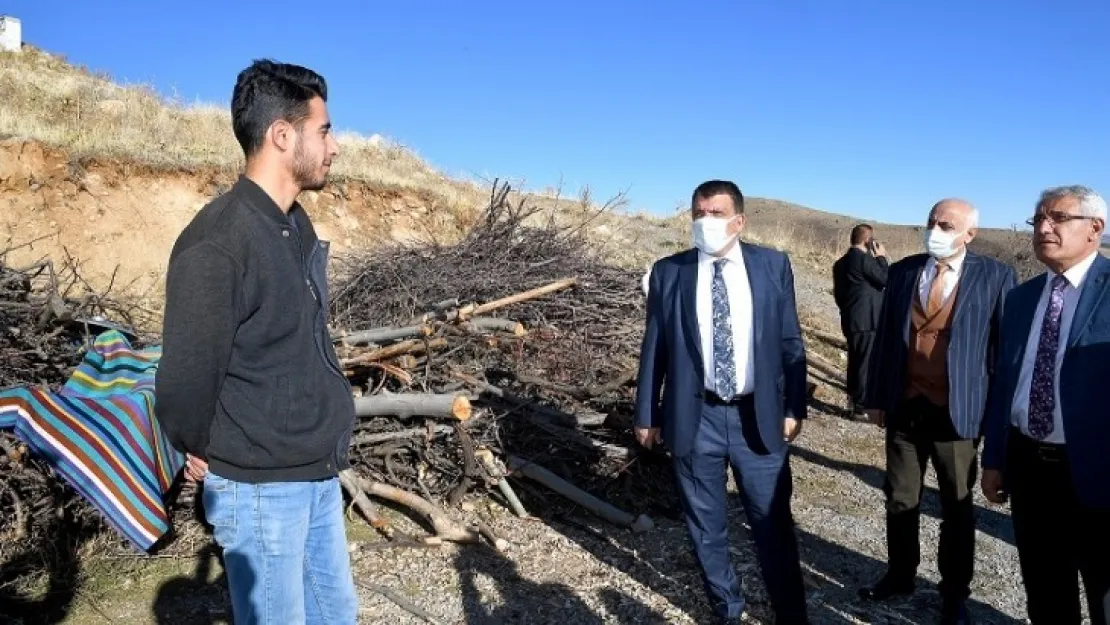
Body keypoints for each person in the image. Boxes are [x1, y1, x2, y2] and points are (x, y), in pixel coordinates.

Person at [154, 59, 358, 624]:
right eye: (324, 130)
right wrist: (203, 447)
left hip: (315, 474)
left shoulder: (296, 225)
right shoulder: (220, 241)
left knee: (336, 615)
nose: (334, 146)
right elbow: (184, 379)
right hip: (260, 487)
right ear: (282, 134)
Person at [634, 180, 809, 624]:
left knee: (772, 525)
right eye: (698, 213)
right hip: (697, 416)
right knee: (705, 526)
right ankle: (727, 607)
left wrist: (794, 408)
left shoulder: (772, 266)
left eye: (715, 213)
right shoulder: (669, 272)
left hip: (759, 416)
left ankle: (791, 613)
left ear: (738, 221)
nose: (704, 222)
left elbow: (791, 342)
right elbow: (655, 348)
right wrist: (647, 414)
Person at [860, 198, 1016, 624]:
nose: (935, 230)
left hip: (958, 411)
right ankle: (900, 573)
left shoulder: (996, 276)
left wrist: (993, 416)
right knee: (900, 497)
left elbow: (1001, 352)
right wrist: (875, 395)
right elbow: (885, 337)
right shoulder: (904, 270)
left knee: (956, 507)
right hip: (906, 405)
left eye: (946, 224)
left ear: (970, 233)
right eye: (932, 222)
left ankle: (954, 594)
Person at [981, 185, 1110, 625]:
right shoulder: (1021, 298)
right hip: (1029, 464)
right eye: (1037, 219)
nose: (1043, 227)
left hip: (1097, 471)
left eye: (1057, 217)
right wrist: (994, 458)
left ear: (1095, 228)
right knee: (1045, 588)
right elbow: (1005, 385)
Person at [831, 224, 889, 417]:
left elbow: (838, 294)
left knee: (855, 361)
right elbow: (885, 279)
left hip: (851, 319)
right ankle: (860, 406)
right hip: (868, 321)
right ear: (868, 241)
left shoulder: (840, 264)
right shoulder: (864, 260)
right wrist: (881, 257)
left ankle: (853, 400)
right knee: (865, 364)